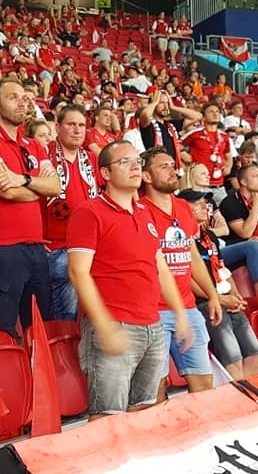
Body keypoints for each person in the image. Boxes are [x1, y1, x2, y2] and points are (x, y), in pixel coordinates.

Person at [67, 141, 191, 420]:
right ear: (105, 173)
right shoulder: (90, 212)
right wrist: (103, 325)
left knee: (145, 410)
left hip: (153, 324)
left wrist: (180, 312)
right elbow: (77, 272)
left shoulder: (145, 212)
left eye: (137, 161)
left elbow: (160, 267)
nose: (135, 166)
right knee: (107, 417)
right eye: (125, 162)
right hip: (115, 322)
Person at [0, 77, 59, 336]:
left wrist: (24, 179)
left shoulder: (33, 145)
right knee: (1, 332)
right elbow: (6, 191)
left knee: (40, 330)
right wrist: (39, 189)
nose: (22, 103)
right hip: (3, 248)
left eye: (24, 98)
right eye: (13, 97)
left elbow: (55, 187)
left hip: (36, 248)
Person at [140, 147, 222, 399]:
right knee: (155, 390)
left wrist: (212, 295)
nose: (172, 170)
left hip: (187, 307)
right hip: (153, 311)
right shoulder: (139, 210)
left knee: (204, 385)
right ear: (146, 176)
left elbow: (193, 255)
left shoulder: (183, 207)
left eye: (172, 165)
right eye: (163, 166)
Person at [180, 188, 258, 379]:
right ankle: (239, 396)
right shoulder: (180, 238)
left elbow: (221, 267)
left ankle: (245, 393)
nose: (204, 206)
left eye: (204, 202)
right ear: (183, 208)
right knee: (233, 361)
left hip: (226, 298)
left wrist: (235, 294)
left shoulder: (209, 235)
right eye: (197, 203)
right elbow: (186, 277)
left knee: (255, 355)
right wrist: (217, 298)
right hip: (205, 303)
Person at [42, 104, 100, 321]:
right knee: (68, 314)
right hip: (57, 248)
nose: (77, 130)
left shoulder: (92, 160)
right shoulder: (44, 155)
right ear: (57, 127)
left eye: (82, 125)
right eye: (71, 124)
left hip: (89, 246)